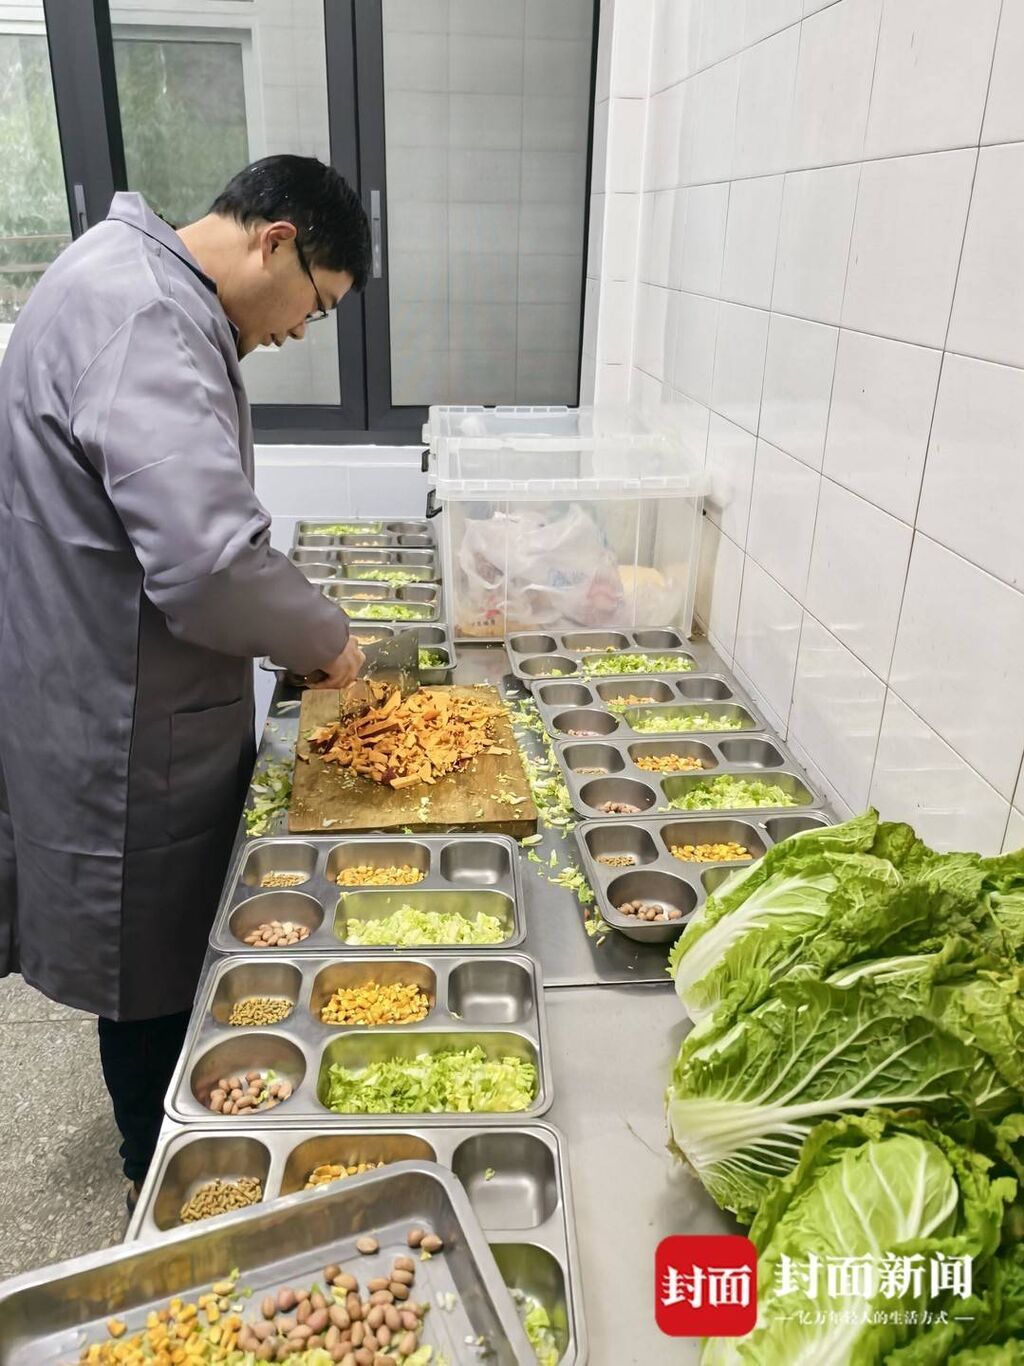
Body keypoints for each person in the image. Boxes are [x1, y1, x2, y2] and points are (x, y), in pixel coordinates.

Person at [0, 155, 370, 1205]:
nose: (301, 331)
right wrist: (327, 641)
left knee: (150, 954)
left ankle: (172, 1151)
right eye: (317, 306)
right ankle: (162, 1184)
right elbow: (209, 565)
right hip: (119, 714)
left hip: (88, 673)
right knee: (147, 965)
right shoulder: (150, 314)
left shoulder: (117, 268)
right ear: (276, 242)